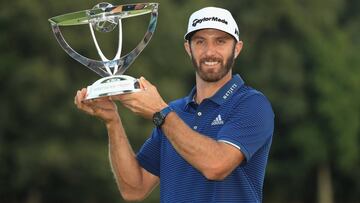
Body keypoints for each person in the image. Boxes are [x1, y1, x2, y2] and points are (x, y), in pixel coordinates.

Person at [74, 6, 274, 203]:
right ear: (188, 48)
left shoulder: (252, 104)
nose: (210, 51)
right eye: (200, 41)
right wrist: (112, 121)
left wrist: (160, 112)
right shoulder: (176, 112)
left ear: (236, 48)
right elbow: (134, 189)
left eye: (220, 41)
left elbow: (217, 165)